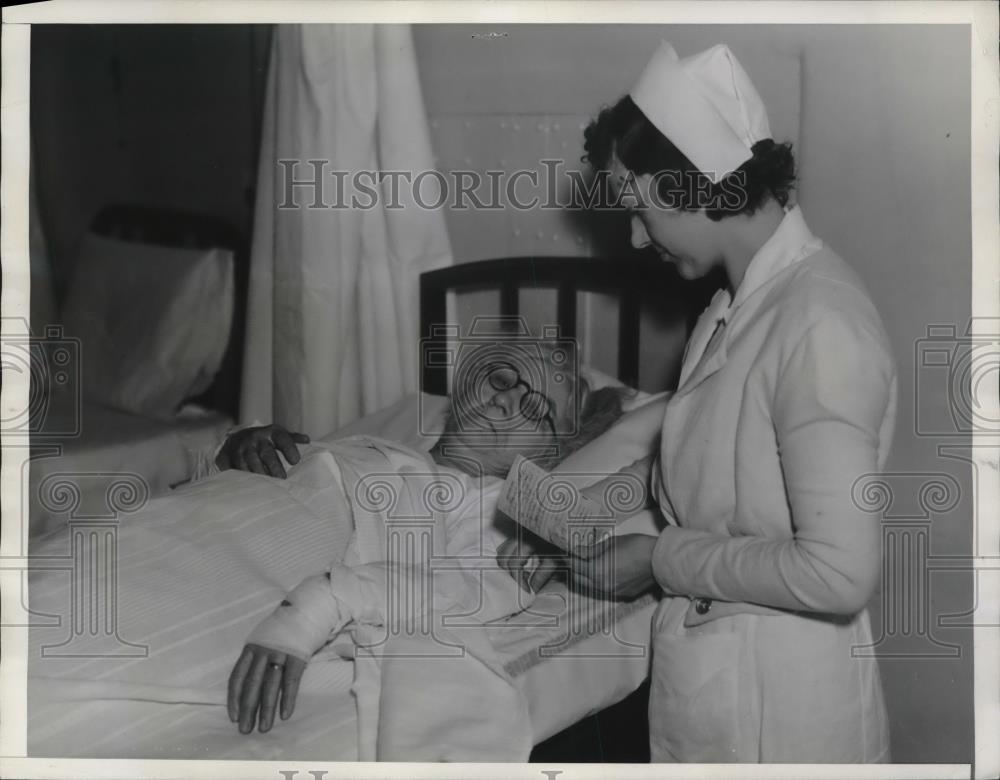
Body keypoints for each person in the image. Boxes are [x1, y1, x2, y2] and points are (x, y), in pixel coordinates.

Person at [498, 42, 896, 763]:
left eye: (640, 211)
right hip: (723, 693)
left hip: (784, 720)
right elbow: (707, 469)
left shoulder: (820, 322)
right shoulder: (734, 306)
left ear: (696, 188)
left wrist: (658, 561)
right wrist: (563, 520)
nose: (634, 236)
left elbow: (840, 572)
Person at [217, 343, 631, 734]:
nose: (505, 400)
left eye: (536, 408)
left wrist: (319, 604)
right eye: (503, 379)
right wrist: (235, 451)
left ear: (553, 455)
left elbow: (464, 590)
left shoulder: (499, 514)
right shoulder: (370, 448)